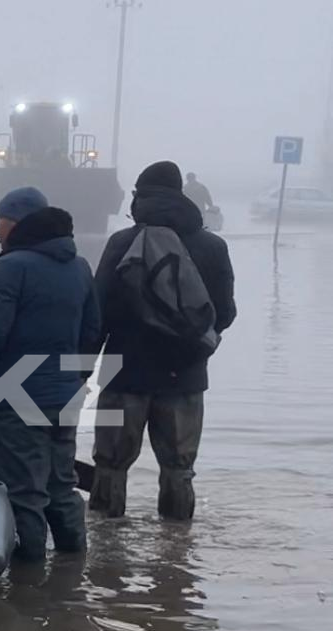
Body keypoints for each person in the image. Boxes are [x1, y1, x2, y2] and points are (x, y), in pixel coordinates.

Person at [91, 161, 237, 520]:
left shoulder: (122, 242)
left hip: (124, 374)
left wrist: (79, 370)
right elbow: (225, 313)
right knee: (179, 468)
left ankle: (104, 559)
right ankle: (176, 555)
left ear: (140, 196)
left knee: (110, 466)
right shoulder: (212, 246)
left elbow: (98, 311)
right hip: (185, 376)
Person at [0, 186, 101, 562]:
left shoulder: (11, 267)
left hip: (19, 396)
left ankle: (30, 582)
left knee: (24, 492)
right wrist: (76, 380)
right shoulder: (79, 266)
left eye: (2, 220)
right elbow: (93, 331)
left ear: (20, 223)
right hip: (65, 396)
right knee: (62, 487)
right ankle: (73, 568)